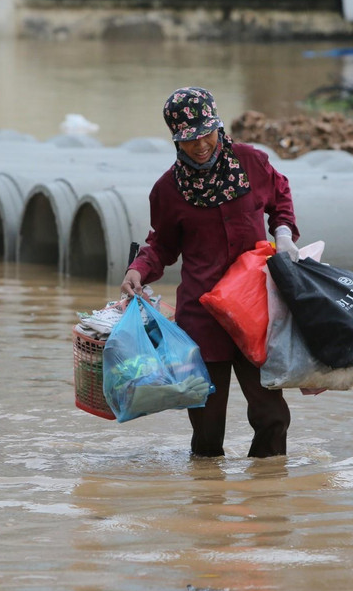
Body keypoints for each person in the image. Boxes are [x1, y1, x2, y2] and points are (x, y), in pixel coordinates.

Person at [120, 86, 300, 459]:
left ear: (217, 126)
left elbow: (280, 194)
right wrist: (138, 270)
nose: (200, 145)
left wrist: (283, 233)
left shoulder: (252, 162)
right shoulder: (167, 191)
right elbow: (162, 247)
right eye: (189, 139)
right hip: (203, 320)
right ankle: (206, 504)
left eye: (206, 133)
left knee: (271, 415)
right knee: (207, 430)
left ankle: (265, 499)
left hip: (254, 312)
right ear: (175, 140)